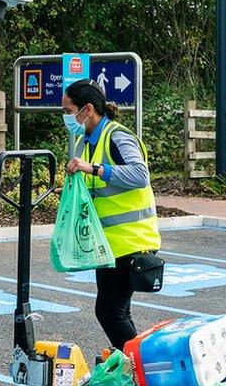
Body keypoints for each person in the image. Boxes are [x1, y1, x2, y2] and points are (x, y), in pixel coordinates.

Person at [62, 79, 162, 349]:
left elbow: (140, 175)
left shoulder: (117, 137)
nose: (66, 117)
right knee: (117, 312)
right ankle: (135, 368)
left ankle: (138, 368)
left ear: (87, 110)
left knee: (109, 312)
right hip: (108, 244)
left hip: (129, 241)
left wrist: (93, 168)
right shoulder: (87, 142)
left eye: (68, 110)